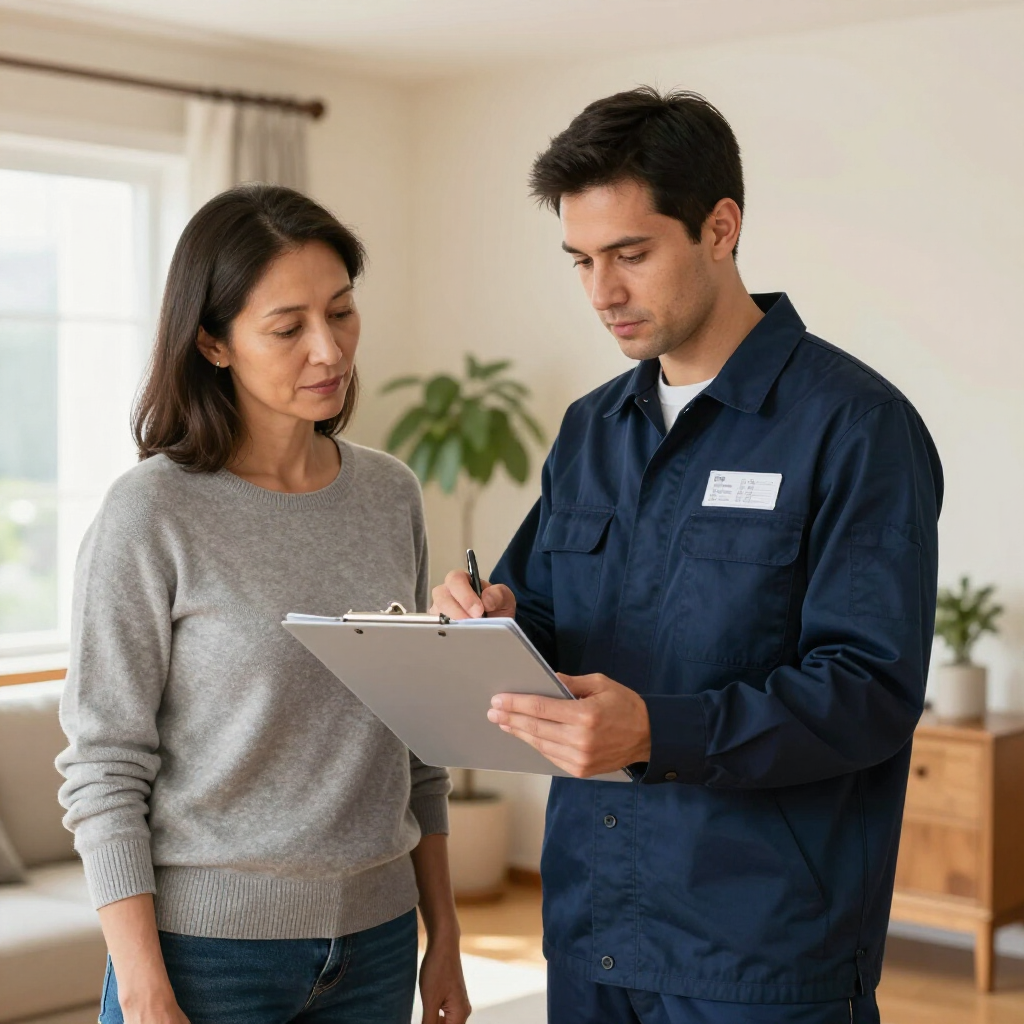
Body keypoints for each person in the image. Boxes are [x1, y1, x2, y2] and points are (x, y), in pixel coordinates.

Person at [431, 87, 941, 1024]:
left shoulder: (858, 427)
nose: (603, 292)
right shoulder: (590, 429)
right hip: (593, 932)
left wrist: (659, 733)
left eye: (631, 254)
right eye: (581, 260)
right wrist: (486, 622)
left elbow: (869, 691)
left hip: (764, 955)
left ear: (720, 226)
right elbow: (540, 613)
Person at [57, 184, 471, 1024]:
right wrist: (142, 990)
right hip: (206, 957)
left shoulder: (390, 494)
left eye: (343, 312)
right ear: (213, 343)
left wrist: (447, 941)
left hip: (381, 942)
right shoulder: (152, 511)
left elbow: (416, 747)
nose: (330, 350)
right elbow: (104, 767)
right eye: (288, 328)